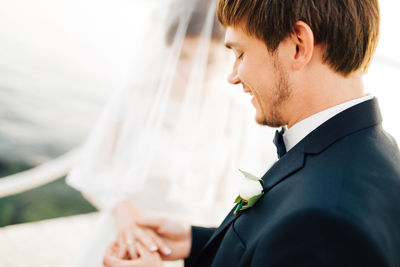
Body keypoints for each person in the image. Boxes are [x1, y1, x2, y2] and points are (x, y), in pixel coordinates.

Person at [103, 0, 400, 266]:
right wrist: (197, 242)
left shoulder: (327, 223)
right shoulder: (371, 149)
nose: (233, 76)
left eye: (240, 53)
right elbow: (278, 243)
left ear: (298, 46)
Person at [66, 0, 273, 266]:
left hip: (191, 244)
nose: (193, 71)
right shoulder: (135, 97)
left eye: (209, 60)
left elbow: (237, 197)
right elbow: (90, 171)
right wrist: (121, 209)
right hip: (127, 237)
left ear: (228, 55)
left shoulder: (236, 114)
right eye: (183, 56)